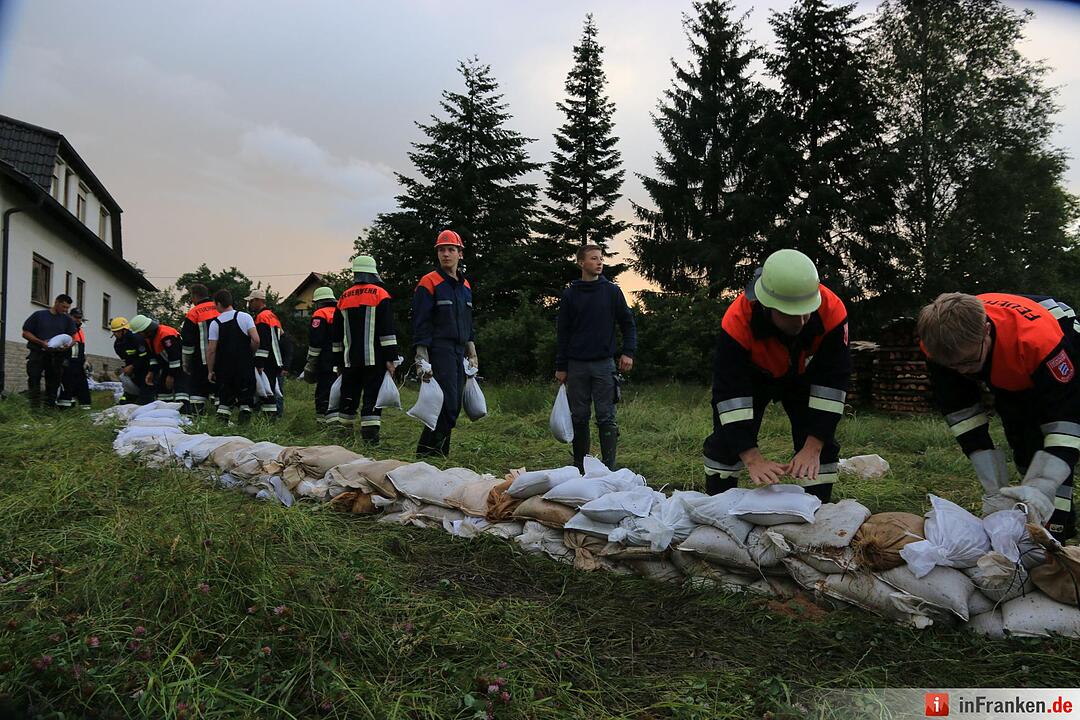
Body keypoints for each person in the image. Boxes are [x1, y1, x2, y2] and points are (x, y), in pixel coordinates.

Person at [919, 292, 1080, 540]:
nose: (961, 371)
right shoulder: (939, 344)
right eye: (953, 366)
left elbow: (1066, 422)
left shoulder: (1040, 342)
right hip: (1009, 364)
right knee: (1022, 440)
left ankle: (1058, 529)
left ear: (985, 330)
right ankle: (1033, 511)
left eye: (968, 362)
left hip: (1055, 345)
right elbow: (961, 412)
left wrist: (1044, 484)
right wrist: (994, 487)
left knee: (1050, 450)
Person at [701, 249, 850, 502]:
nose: (803, 321)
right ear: (766, 306)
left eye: (807, 311)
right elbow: (729, 396)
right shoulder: (737, 321)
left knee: (821, 447)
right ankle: (718, 506)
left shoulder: (832, 311)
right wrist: (752, 457)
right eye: (792, 314)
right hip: (753, 375)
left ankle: (819, 512)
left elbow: (832, 386)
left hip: (805, 374)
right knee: (725, 442)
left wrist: (813, 447)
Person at [555, 244, 637, 471]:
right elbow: (563, 332)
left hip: (604, 364)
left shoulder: (611, 292)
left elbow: (628, 323)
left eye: (601, 258)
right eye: (594, 258)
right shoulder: (571, 294)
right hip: (576, 365)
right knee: (579, 417)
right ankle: (580, 466)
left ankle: (608, 467)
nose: (599, 262)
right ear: (581, 263)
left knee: (606, 417)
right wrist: (561, 366)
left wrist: (628, 352)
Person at [413, 230, 477, 456]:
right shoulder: (429, 282)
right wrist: (422, 357)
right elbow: (421, 322)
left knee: (452, 405)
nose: (446, 254)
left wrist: (472, 350)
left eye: (451, 249)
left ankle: (435, 454)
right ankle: (430, 455)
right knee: (446, 404)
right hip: (439, 349)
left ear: (460, 253)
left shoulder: (465, 285)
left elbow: (468, 321)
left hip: (458, 350)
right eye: (442, 250)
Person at [332, 256, 398, 443]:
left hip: (349, 361)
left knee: (348, 397)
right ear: (372, 273)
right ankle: (370, 441)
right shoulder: (380, 294)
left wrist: (337, 362)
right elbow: (387, 331)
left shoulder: (343, 297)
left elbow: (336, 336)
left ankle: (344, 438)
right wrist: (391, 358)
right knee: (372, 399)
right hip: (374, 360)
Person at [206, 289, 260, 423]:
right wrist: (250, 353)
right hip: (244, 365)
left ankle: (221, 426)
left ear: (218, 304)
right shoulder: (245, 317)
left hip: (225, 368)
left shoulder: (215, 323)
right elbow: (256, 339)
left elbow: (211, 350)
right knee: (246, 399)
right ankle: (244, 426)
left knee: (225, 398)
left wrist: (210, 370)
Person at [21, 293, 77, 407]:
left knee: (53, 382)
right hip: (37, 353)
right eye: (64, 307)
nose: (66, 310)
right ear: (56, 302)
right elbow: (25, 333)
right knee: (34, 378)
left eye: (67, 308)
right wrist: (41, 342)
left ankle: (49, 408)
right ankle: (34, 408)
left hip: (56, 356)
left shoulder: (67, 320)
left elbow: (74, 338)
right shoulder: (39, 315)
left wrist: (68, 345)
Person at [129, 314, 187, 409]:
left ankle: (186, 413)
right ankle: (165, 413)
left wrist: (171, 375)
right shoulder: (149, 338)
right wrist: (151, 372)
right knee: (162, 391)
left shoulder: (166, 334)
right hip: (168, 366)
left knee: (181, 391)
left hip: (181, 367)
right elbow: (153, 357)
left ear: (145, 330)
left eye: (139, 332)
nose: (139, 335)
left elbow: (175, 357)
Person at [246, 289, 288, 418]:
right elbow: (282, 338)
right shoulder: (272, 316)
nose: (250, 304)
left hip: (267, 361)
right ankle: (272, 416)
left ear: (259, 301)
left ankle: (269, 418)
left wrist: (259, 362)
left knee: (265, 390)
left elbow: (263, 341)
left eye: (251, 301)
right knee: (272, 389)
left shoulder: (261, 317)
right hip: (275, 359)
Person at [180, 284, 220, 413]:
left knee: (197, 391)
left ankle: (197, 418)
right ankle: (221, 419)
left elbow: (187, 341)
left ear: (195, 296)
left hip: (201, 360)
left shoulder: (193, 313)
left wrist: (186, 362)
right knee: (220, 390)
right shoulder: (220, 308)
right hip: (222, 359)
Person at [304, 286, 338, 423]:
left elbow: (316, 341)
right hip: (343, 361)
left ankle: (322, 422)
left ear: (319, 302)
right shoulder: (341, 312)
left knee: (324, 392)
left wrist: (311, 360)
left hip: (326, 361)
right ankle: (337, 420)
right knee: (338, 391)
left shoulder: (320, 314)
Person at [56, 307, 92, 411]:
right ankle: (64, 410)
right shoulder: (64, 328)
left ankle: (84, 411)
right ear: (70, 316)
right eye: (76, 317)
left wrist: (85, 360)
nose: (78, 320)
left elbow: (81, 347)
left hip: (79, 364)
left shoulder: (80, 331)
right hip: (67, 363)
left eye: (80, 318)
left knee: (83, 388)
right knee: (66, 388)